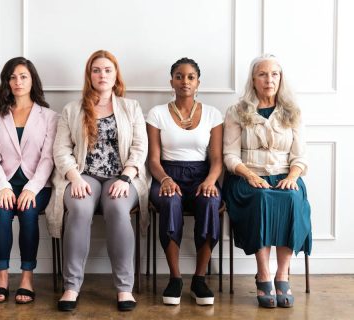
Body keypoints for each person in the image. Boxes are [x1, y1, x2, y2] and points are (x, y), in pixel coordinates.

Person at [46, 50, 149, 312]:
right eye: (96, 70)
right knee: (79, 210)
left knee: (117, 209)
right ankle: (71, 286)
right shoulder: (72, 109)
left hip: (122, 177)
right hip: (84, 176)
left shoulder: (131, 107)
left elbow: (139, 148)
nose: (102, 75)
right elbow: (61, 150)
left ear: (116, 75)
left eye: (107, 70)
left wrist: (126, 178)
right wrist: (74, 177)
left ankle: (124, 289)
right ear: (89, 75)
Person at [223, 53, 312, 308]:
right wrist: (250, 175)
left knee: (292, 198)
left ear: (281, 78)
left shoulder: (292, 112)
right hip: (247, 177)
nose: (269, 79)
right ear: (253, 79)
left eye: (274, 74)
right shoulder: (237, 111)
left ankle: (282, 274)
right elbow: (229, 155)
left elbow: (300, 156)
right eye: (262, 74)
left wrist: (293, 176)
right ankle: (263, 274)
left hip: (286, 175)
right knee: (261, 198)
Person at [147, 58, 223, 306]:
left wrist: (211, 180)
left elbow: (216, 158)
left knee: (211, 202)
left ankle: (199, 279)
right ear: (172, 82)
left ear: (198, 82)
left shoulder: (213, 114)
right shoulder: (157, 113)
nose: (185, 81)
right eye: (179, 76)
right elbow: (153, 160)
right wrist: (166, 179)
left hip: (202, 175)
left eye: (190, 77)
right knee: (170, 201)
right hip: (167, 173)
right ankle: (175, 278)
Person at [0, 57, 58, 303]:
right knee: (2, 211)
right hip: (3, 182)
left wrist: (31, 189)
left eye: (23, 76)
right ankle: (2, 277)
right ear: (7, 81)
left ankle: (27, 277)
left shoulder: (49, 116)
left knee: (28, 212)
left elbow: (48, 159)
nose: (18, 82)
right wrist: (3, 186)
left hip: (37, 184)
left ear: (32, 80)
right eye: (12, 77)